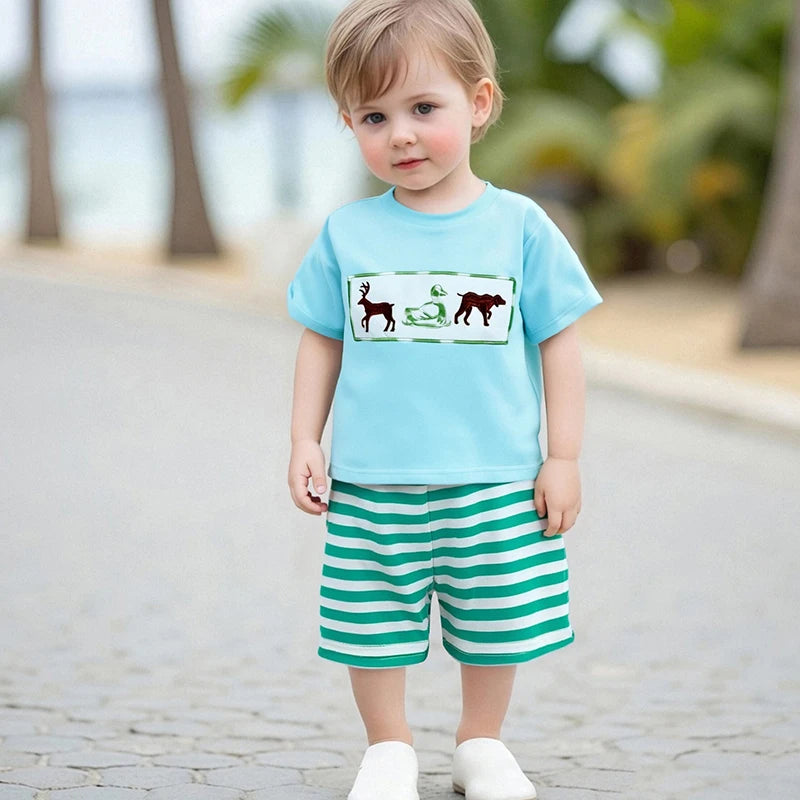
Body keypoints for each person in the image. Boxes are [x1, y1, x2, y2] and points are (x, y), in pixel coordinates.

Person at [286, 1, 603, 798]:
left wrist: (563, 457)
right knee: (369, 622)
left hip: (495, 478)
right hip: (372, 482)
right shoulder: (347, 234)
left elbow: (561, 343)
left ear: (479, 102)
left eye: (424, 108)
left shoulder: (521, 226)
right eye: (373, 116)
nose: (400, 134)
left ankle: (480, 742)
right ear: (349, 123)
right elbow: (321, 338)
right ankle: (387, 746)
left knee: (496, 620)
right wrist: (304, 439)